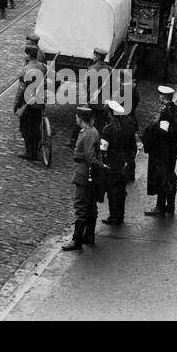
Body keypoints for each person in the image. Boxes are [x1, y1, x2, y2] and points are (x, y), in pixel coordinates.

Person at [62, 106, 101, 251]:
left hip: (84, 174)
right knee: (90, 205)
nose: (75, 119)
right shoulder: (90, 131)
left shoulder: (88, 134)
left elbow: (91, 157)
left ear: (80, 118)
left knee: (81, 206)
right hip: (87, 173)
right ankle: (88, 235)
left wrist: (100, 168)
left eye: (77, 117)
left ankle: (76, 240)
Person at [142, 85, 177, 216]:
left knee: (162, 178)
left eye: (160, 95)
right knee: (170, 176)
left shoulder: (166, 113)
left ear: (163, 97)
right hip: (172, 151)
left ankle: (160, 207)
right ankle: (170, 206)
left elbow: (163, 133)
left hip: (163, 151)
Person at [99, 99, 137, 226]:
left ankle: (114, 216)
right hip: (125, 163)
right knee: (121, 191)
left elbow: (103, 149)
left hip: (112, 164)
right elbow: (133, 147)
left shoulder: (107, 130)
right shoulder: (128, 127)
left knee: (112, 191)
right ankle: (120, 215)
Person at [14, 43, 46, 160]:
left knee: (25, 128)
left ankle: (30, 152)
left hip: (28, 104)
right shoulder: (43, 67)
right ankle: (36, 147)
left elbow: (21, 90)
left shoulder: (26, 69)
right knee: (36, 126)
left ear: (28, 55)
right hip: (40, 102)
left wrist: (16, 105)